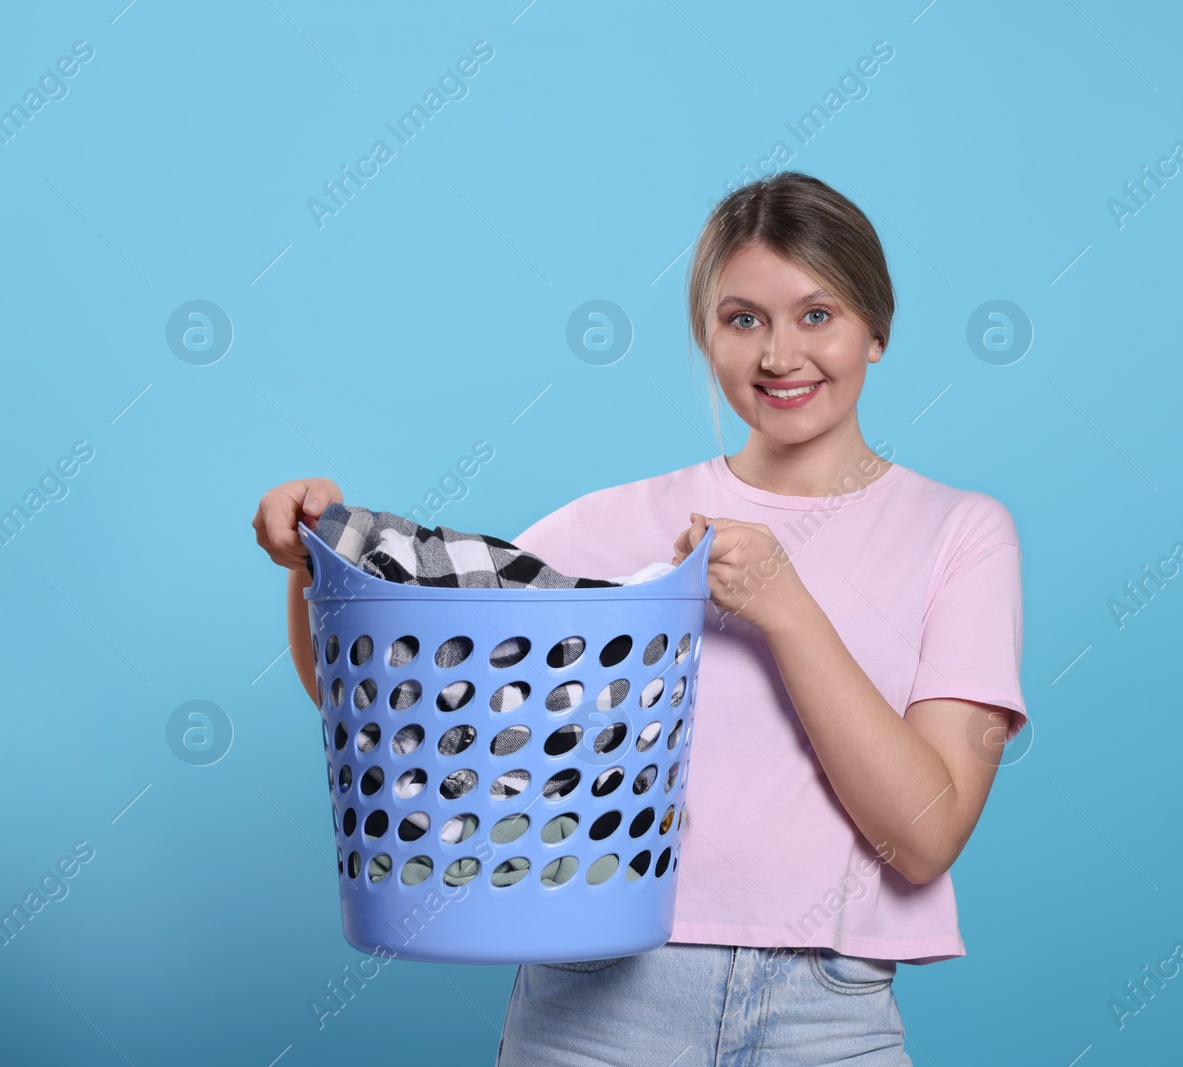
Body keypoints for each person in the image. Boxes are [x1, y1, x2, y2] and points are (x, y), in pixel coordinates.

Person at [252, 171, 1027, 1065]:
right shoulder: (605, 527)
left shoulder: (959, 533)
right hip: (598, 1001)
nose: (780, 354)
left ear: (876, 331)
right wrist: (314, 568)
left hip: (826, 1012)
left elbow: (925, 836)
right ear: (707, 335)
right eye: (744, 319)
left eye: (818, 315)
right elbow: (402, 710)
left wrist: (786, 609)